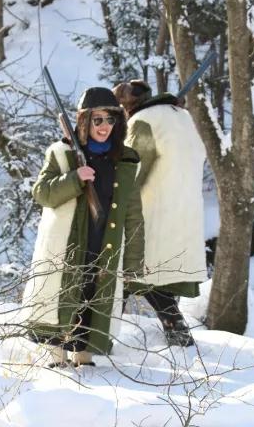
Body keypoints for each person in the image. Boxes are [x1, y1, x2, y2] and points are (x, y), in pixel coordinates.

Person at [21, 87, 144, 367]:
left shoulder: (125, 161)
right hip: (66, 244)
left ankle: (84, 357)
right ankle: (57, 359)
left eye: (110, 120)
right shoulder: (62, 154)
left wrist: (135, 262)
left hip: (105, 243)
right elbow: (42, 193)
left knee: (94, 295)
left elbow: (134, 215)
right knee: (62, 295)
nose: (104, 127)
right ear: (84, 120)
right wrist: (74, 178)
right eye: (98, 120)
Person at [112, 80, 208, 347]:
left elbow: (133, 168)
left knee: (126, 269)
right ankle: (174, 327)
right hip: (184, 208)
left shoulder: (144, 121)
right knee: (152, 273)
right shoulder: (181, 117)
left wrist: (111, 195)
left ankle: (101, 335)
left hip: (151, 209)